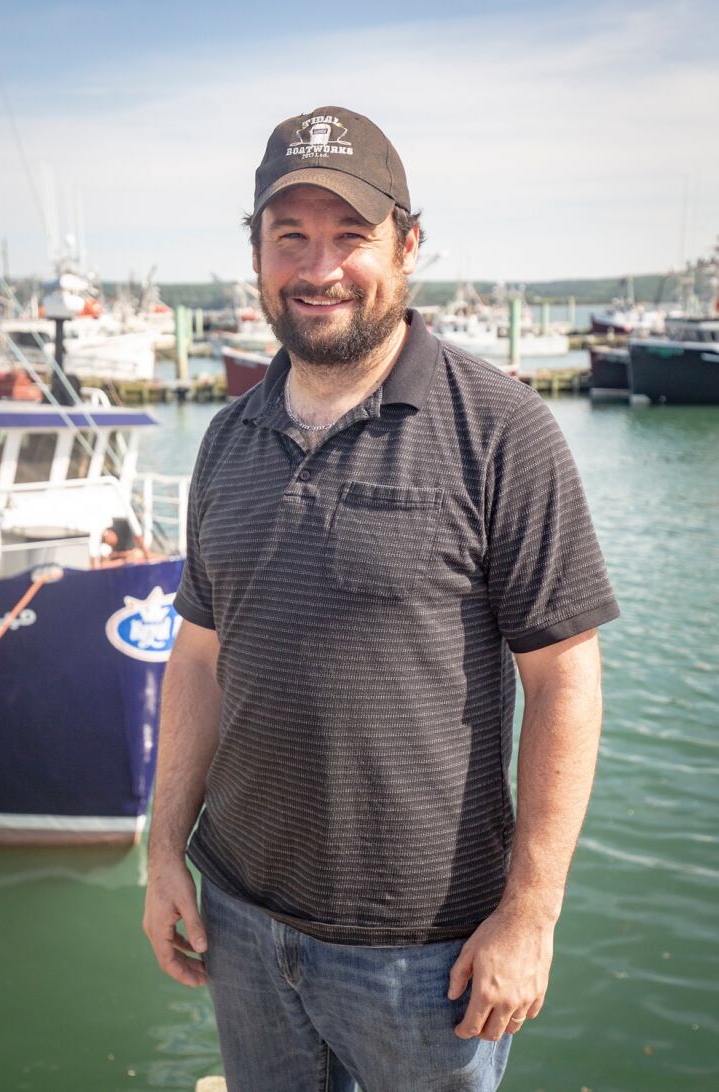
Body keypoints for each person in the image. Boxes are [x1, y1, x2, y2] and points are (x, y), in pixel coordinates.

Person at [143, 105, 619, 1092]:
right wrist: (162, 857)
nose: (319, 267)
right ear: (257, 255)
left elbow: (565, 679)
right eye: (291, 237)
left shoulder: (500, 430)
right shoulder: (226, 441)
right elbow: (196, 657)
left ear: (407, 247)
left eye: (350, 236)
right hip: (239, 921)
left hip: (427, 961)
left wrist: (531, 912)